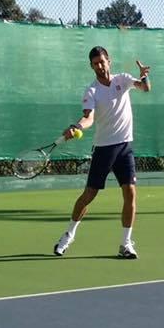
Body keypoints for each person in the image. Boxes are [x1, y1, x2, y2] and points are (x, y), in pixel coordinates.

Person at [53, 46, 151, 259]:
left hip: (125, 146)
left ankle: (125, 244)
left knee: (130, 192)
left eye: (102, 62)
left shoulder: (122, 80)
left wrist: (144, 77)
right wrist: (78, 126)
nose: (99, 66)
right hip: (104, 149)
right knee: (89, 195)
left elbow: (144, 89)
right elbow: (88, 117)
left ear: (109, 61)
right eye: (95, 63)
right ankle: (69, 234)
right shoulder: (91, 91)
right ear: (91, 66)